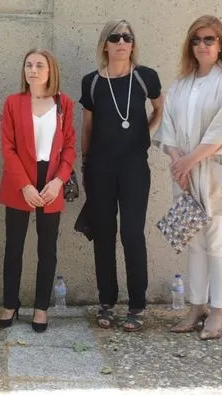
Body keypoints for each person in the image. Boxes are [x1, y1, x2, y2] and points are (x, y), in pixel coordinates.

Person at [154, 15, 222, 340]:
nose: (202, 45)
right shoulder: (181, 84)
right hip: (184, 173)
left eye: (209, 39)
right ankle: (197, 307)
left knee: (219, 244)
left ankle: (218, 311)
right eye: (196, 40)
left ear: (221, 43)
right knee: (194, 243)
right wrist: (177, 162)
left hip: (218, 172)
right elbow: (168, 127)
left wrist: (188, 161)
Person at [79, 20, 163, 332]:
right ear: (105, 44)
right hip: (99, 168)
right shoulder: (91, 82)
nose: (122, 42)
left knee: (131, 233)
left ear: (133, 44)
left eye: (127, 37)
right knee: (104, 235)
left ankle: (137, 305)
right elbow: (87, 127)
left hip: (134, 169)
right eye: (115, 37)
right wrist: (85, 164)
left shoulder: (145, 77)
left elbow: (160, 109)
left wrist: (144, 135)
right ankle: (107, 302)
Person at [0, 49, 76, 333]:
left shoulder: (63, 103)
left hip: (51, 180)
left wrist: (58, 181)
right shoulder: (13, 102)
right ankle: (10, 304)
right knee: (13, 247)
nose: (33, 70)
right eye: (28, 65)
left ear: (50, 70)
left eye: (39, 65)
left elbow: (69, 147)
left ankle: (41, 308)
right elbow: (8, 148)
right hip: (20, 181)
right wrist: (25, 185)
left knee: (47, 248)